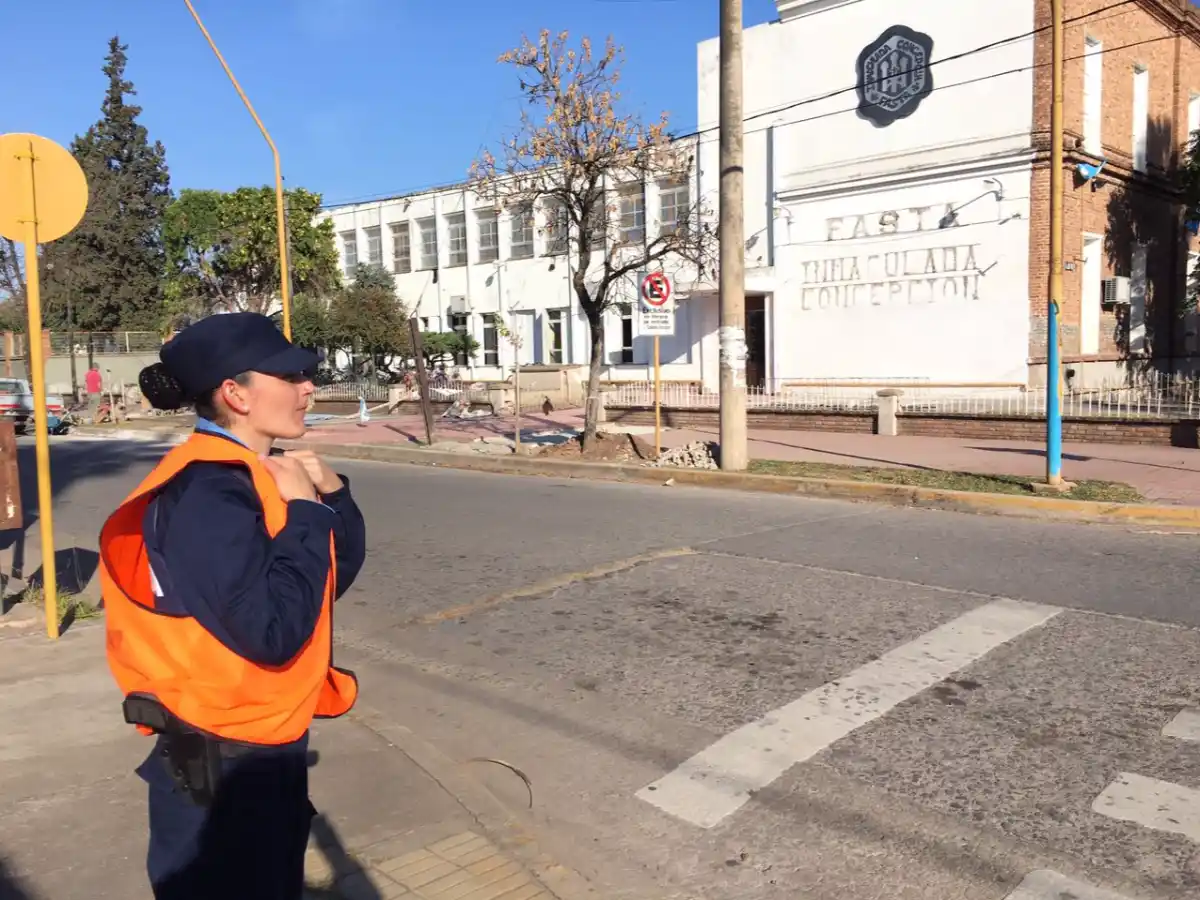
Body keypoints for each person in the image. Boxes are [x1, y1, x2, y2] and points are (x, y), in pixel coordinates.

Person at [99, 312, 367, 900]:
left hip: (256, 744)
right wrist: (303, 515)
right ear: (235, 394)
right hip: (220, 767)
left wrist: (331, 500)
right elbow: (271, 630)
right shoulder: (207, 491)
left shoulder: (256, 473)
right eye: (292, 375)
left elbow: (321, 585)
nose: (308, 388)